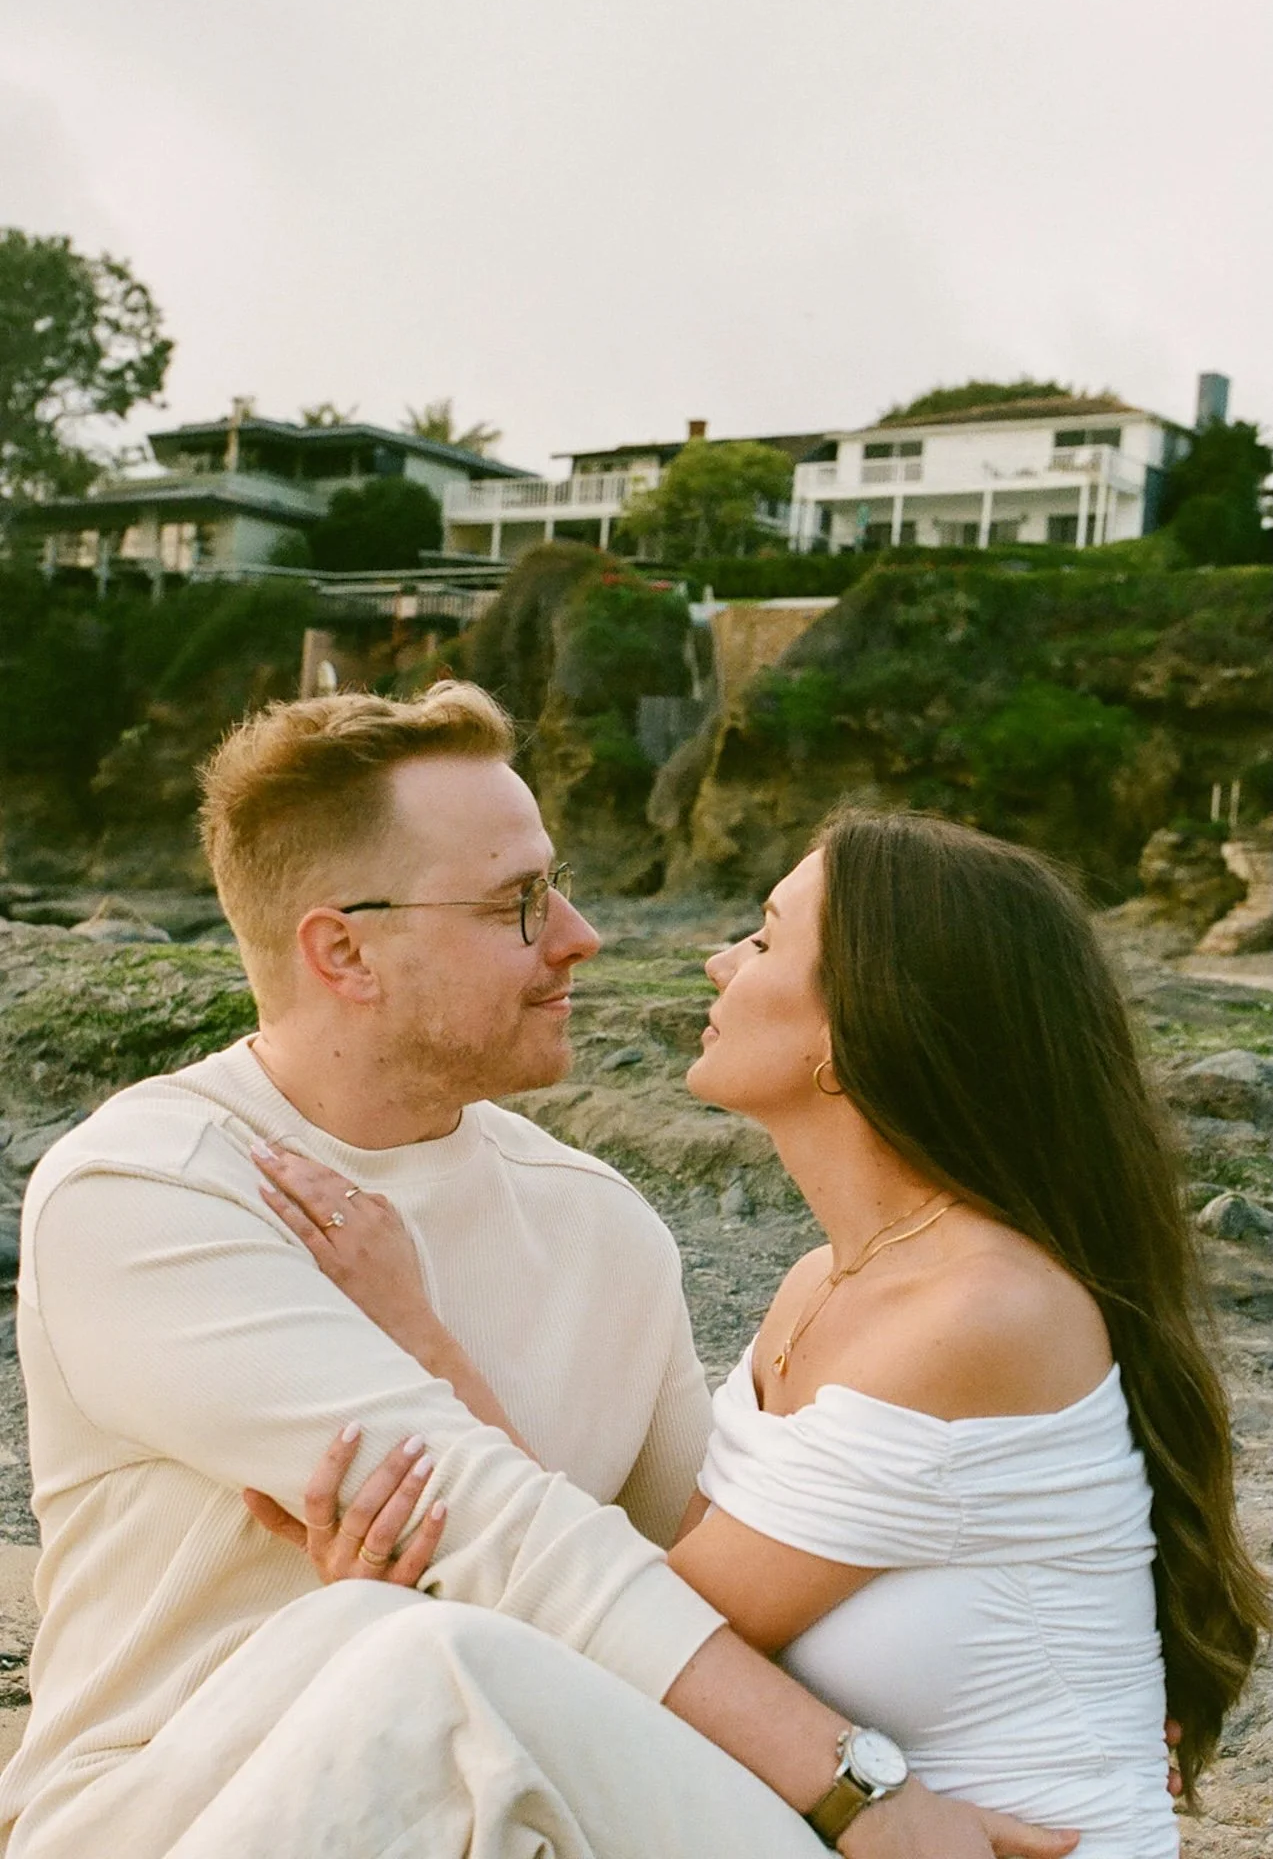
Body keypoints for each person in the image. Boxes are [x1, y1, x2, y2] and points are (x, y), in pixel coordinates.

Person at [0, 683, 1070, 1859]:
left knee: (435, 1657)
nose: (577, 934)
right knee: (422, 1662)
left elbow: (703, 1598)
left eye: (555, 885)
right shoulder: (154, 1191)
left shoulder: (598, 1223)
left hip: (521, 1802)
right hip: (162, 1808)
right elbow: (496, 1527)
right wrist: (864, 1794)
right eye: (518, 903)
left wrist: (1033, 1712)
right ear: (344, 949)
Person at [247, 804, 1268, 1859]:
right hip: (805, 1831)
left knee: (434, 1673)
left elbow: (635, 1631)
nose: (716, 961)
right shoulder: (820, 1284)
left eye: (766, 938)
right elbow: (655, 1614)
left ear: (858, 1024)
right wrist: (409, 1563)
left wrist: (421, 1340)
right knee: (368, 1648)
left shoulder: (981, 1314)